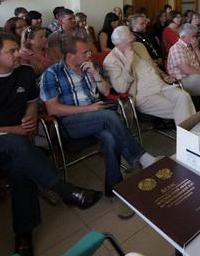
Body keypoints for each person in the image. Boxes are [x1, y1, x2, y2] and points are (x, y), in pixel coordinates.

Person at [0, 33, 102, 256]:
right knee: (15, 143)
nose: (18, 54)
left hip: (16, 142)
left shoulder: (25, 72)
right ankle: (65, 190)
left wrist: (30, 116)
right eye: (11, 51)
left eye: (17, 49)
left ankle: (24, 234)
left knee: (19, 165)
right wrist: (11, 130)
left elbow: (31, 101)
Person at [40, 35, 160, 219]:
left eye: (89, 51)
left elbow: (106, 91)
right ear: (70, 56)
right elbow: (52, 108)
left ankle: (114, 191)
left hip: (98, 116)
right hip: (71, 122)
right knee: (108, 116)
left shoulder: (91, 66)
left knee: (110, 138)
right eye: (85, 52)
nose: (90, 54)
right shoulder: (52, 73)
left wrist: (95, 75)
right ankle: (140, 156)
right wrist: (89, 109)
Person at [104, 26, 195, 125]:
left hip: (161, 85)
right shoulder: (111, 61)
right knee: (181, 107)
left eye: (133, 39)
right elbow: (121, 88)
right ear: (118, 44)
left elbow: (152, 65)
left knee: (184, 96)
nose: (133, 43)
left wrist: (163, 75)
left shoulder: (139, 46)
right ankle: (191, 133)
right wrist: (128, 63)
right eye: (130, 42)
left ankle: (189, 133)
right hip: (144, 95)